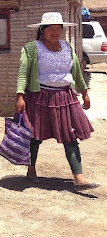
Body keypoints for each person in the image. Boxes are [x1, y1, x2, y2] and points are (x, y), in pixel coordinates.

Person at [15, 12, 99, 192]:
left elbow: (76, 71)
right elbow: (23, 74)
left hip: (65, 97)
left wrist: (84, 93)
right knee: (35, 136)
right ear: (42, 30)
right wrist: (20, 96)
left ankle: (79, 177)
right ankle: (31, 169)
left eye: (58, 29)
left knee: (70, 135)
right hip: (39, 97)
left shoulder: (67, 47)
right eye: (51, 29)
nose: (55, 32)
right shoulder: (31, 49)